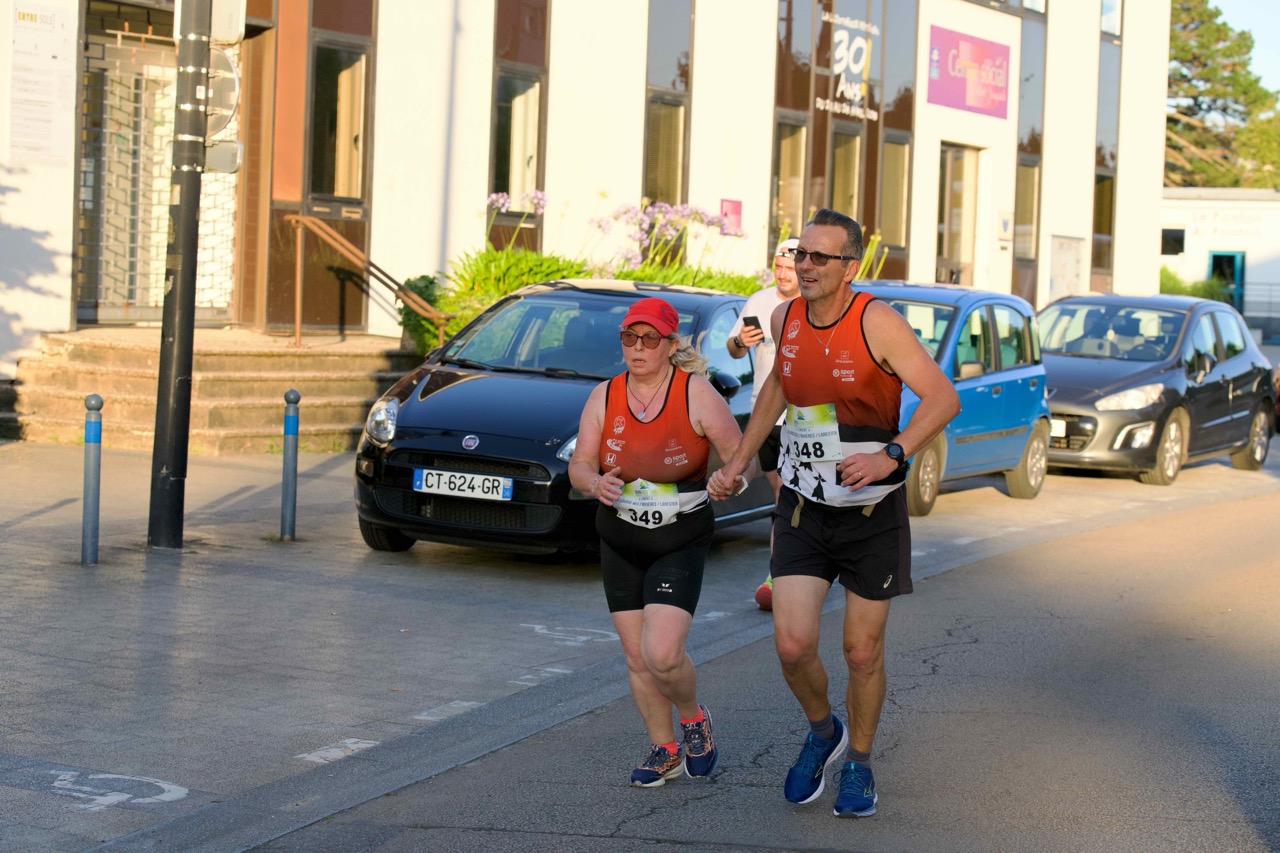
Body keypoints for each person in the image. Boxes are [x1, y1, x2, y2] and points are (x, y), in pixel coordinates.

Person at [708, 209, 960, 818]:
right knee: (792, 645)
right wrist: (738, 460)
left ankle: (860, 763)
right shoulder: (784, 317)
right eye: (801, 253)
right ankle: (824, 731)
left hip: (870, 511)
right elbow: (777, 388)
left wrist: (890, 454)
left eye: (820, 256)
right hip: (802, 503)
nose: (805, 265)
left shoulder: (877, 322)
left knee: (860, 652)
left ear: (850, 267)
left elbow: (942, 397)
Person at [569, 296, 753, 788]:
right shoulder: (605, 395)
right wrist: (593, 483)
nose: (638, 347)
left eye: (650, 339)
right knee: (636, 657)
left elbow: (742, 458)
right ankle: (664, 748)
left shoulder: (696, 393)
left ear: (671, 345)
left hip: (679, 536)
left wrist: (730, 480)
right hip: (620, 536)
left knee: (663, 654)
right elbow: (580, 463)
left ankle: (693, 717)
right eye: (629, 337)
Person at [726, 237, 801, 611]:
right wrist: (741, 341)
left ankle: (778, 576)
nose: (783, 275)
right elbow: (733, 348)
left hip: (804, 416)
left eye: (790, 269)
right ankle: (791, 571)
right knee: (783, 493)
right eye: (778, 267)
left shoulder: (812, 305)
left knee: (786, 493)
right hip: (765, 414)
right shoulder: (759, 301)